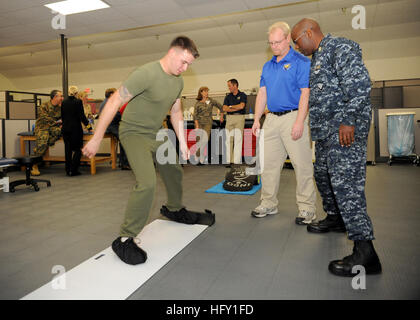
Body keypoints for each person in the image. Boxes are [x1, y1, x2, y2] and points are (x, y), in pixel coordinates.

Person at [82, 36, 200, 265]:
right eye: (184, 62)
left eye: (189, 65)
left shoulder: (178, 82)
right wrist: (97, 138)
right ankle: (125, 238)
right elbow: (115, 101)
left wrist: (184, 144)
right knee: (147, 183)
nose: (185, 68)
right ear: (173, 52)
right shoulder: (146, 73)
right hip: (133, 133)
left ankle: (174, 209)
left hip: (156, 132)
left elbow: (175, 113)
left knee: (174, 169)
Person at [291, 18, 382, 276]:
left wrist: (348, 121)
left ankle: (366, 253)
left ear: (309, 33)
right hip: (325, 134)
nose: (297, 47)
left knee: (347, 187)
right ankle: (335, 218)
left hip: (343, 131)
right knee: (324, 176)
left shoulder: (339, 47)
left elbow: (360, 85)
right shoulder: (317, 57)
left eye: (297, 41)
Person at [251, 22, 317, 225]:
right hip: (271, 119)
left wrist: (299, 121)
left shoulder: (301, 62)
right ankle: (268, 203)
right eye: (271, 43)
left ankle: (307, 209)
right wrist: (256, 118)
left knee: (302, 165)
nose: (274, 46)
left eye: (278, 42)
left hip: (293, 117)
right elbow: (262, 93)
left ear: (288, 39)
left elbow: (305, 93)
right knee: (269, 166)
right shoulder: (267, 65)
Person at [31, 90, 64, 176]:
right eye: (60, 96)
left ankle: (39, 149)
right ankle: (34, 165)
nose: (62, 98)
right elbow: (45, 118)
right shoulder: (44, 106)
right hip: (42, 127)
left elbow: (63, 118)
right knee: (43, 142)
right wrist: (57, 123)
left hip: (53, 127)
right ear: (54, 97)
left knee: (62, 131)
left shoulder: (60, 108)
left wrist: (62, 124)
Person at [61, 86, 91, 176]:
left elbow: (62, 116)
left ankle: (67, 170)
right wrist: (89, 127)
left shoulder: (64, 102)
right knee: (78, 150)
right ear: (76, 93)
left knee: (68, 150)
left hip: (65, 129)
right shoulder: (78, 102)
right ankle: (73, 170)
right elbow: (82, 117)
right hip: (75, 129)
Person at [193, 86, 224, 164]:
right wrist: (196, 126)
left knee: (205, 140)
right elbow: (195, 115)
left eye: (207, 91)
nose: (206, 93)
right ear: (201, 92)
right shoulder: (197, 103)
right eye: (205, 91)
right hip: (199, 123)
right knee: (199, 140)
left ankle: (197, 154)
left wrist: (221, 116)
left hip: (208, 123)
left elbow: (221, 107)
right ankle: (201, 156)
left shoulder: (211, 101)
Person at [222, 79, 247, 167]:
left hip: (239, 118)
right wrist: (234, 107)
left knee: (238, 139)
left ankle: (236, 161)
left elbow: (242, 106)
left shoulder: (243, 95)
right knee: (228, 139)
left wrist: (231, 106)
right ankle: (228, 161)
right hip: (229, 118)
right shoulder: (228, 97)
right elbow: (224, 108)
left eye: (229, 86)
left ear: (235, 85)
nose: (228, 87)